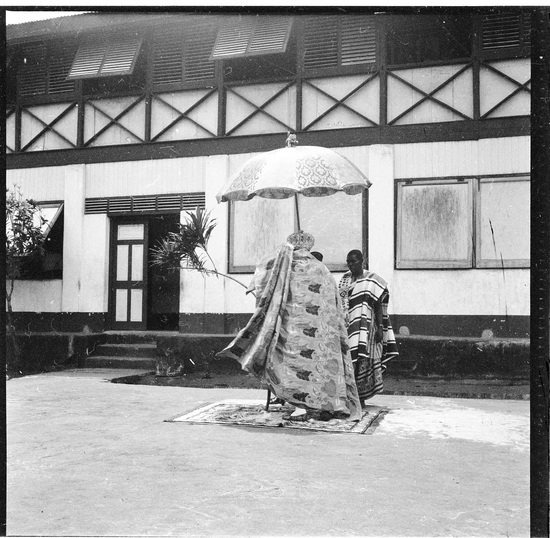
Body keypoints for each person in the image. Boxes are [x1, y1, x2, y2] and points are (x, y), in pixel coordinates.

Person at [217, 232, 361, 421]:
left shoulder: (286, 268)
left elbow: (267, 275)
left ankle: (301, 406)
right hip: (324, 333)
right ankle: (328, 405)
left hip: (294, 331)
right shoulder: (322, 269)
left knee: (293, 365)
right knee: (322, 365)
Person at [338, 249, 398, 404]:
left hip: (367, 326)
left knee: (364, 360)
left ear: (362, 261)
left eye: (354, 261)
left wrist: (380, 326)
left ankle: (361, 398)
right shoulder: (345, 280)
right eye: (349, 262)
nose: (351, 265)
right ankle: (350, 397)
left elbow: (378, 305)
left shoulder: (372, 280)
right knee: (350, 360)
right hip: (349, 326)